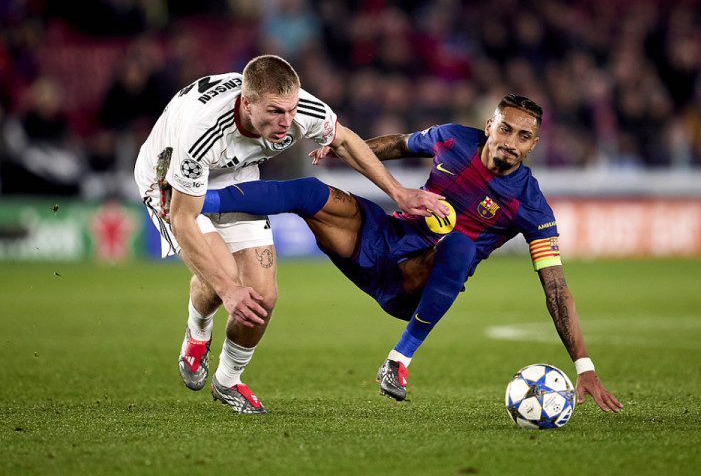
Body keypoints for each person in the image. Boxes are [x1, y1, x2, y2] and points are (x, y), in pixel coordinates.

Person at [196, 94, 623, 413]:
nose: (511, 141)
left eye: (523, 137)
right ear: (490, 124)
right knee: (310, 192)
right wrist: (347, 148)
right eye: (506, 129)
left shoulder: (530, 205)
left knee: (459, 244)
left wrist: (583, 365)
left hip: (415, 282)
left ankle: (398, 361)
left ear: (533, 145)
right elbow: (400, 144)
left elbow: (557, 289)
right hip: (382, 240)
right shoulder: (453, 139)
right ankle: (196, 200)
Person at [134, 54, 446, 415]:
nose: (286, 122)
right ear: (246, 104)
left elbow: (345, 141)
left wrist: (399, 192)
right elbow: (183, 219)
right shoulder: (202, 134)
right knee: (224, 278)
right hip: (170, 180)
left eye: (291, 110)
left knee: (262, 297)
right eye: (274, 112)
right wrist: (228, 289)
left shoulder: (303, 112)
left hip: (235, 171)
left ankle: (228, 380)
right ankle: (198, 331)